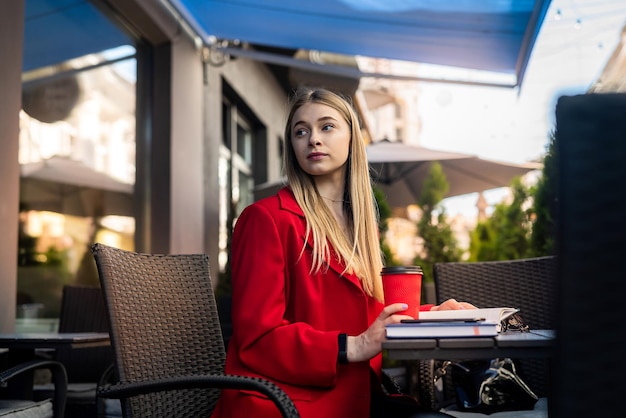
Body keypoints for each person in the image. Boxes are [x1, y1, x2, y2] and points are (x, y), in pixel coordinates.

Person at [210, 88, 474, 418]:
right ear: (292, 147)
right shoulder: (266, 218)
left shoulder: (359, 228)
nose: (313, 139)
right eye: (301, 131)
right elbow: (258, 338)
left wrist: (433, 316)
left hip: (353, 397)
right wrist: (353, 346)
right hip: (288, 404)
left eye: (327, 127)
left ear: (352, 139)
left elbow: (367, 315)